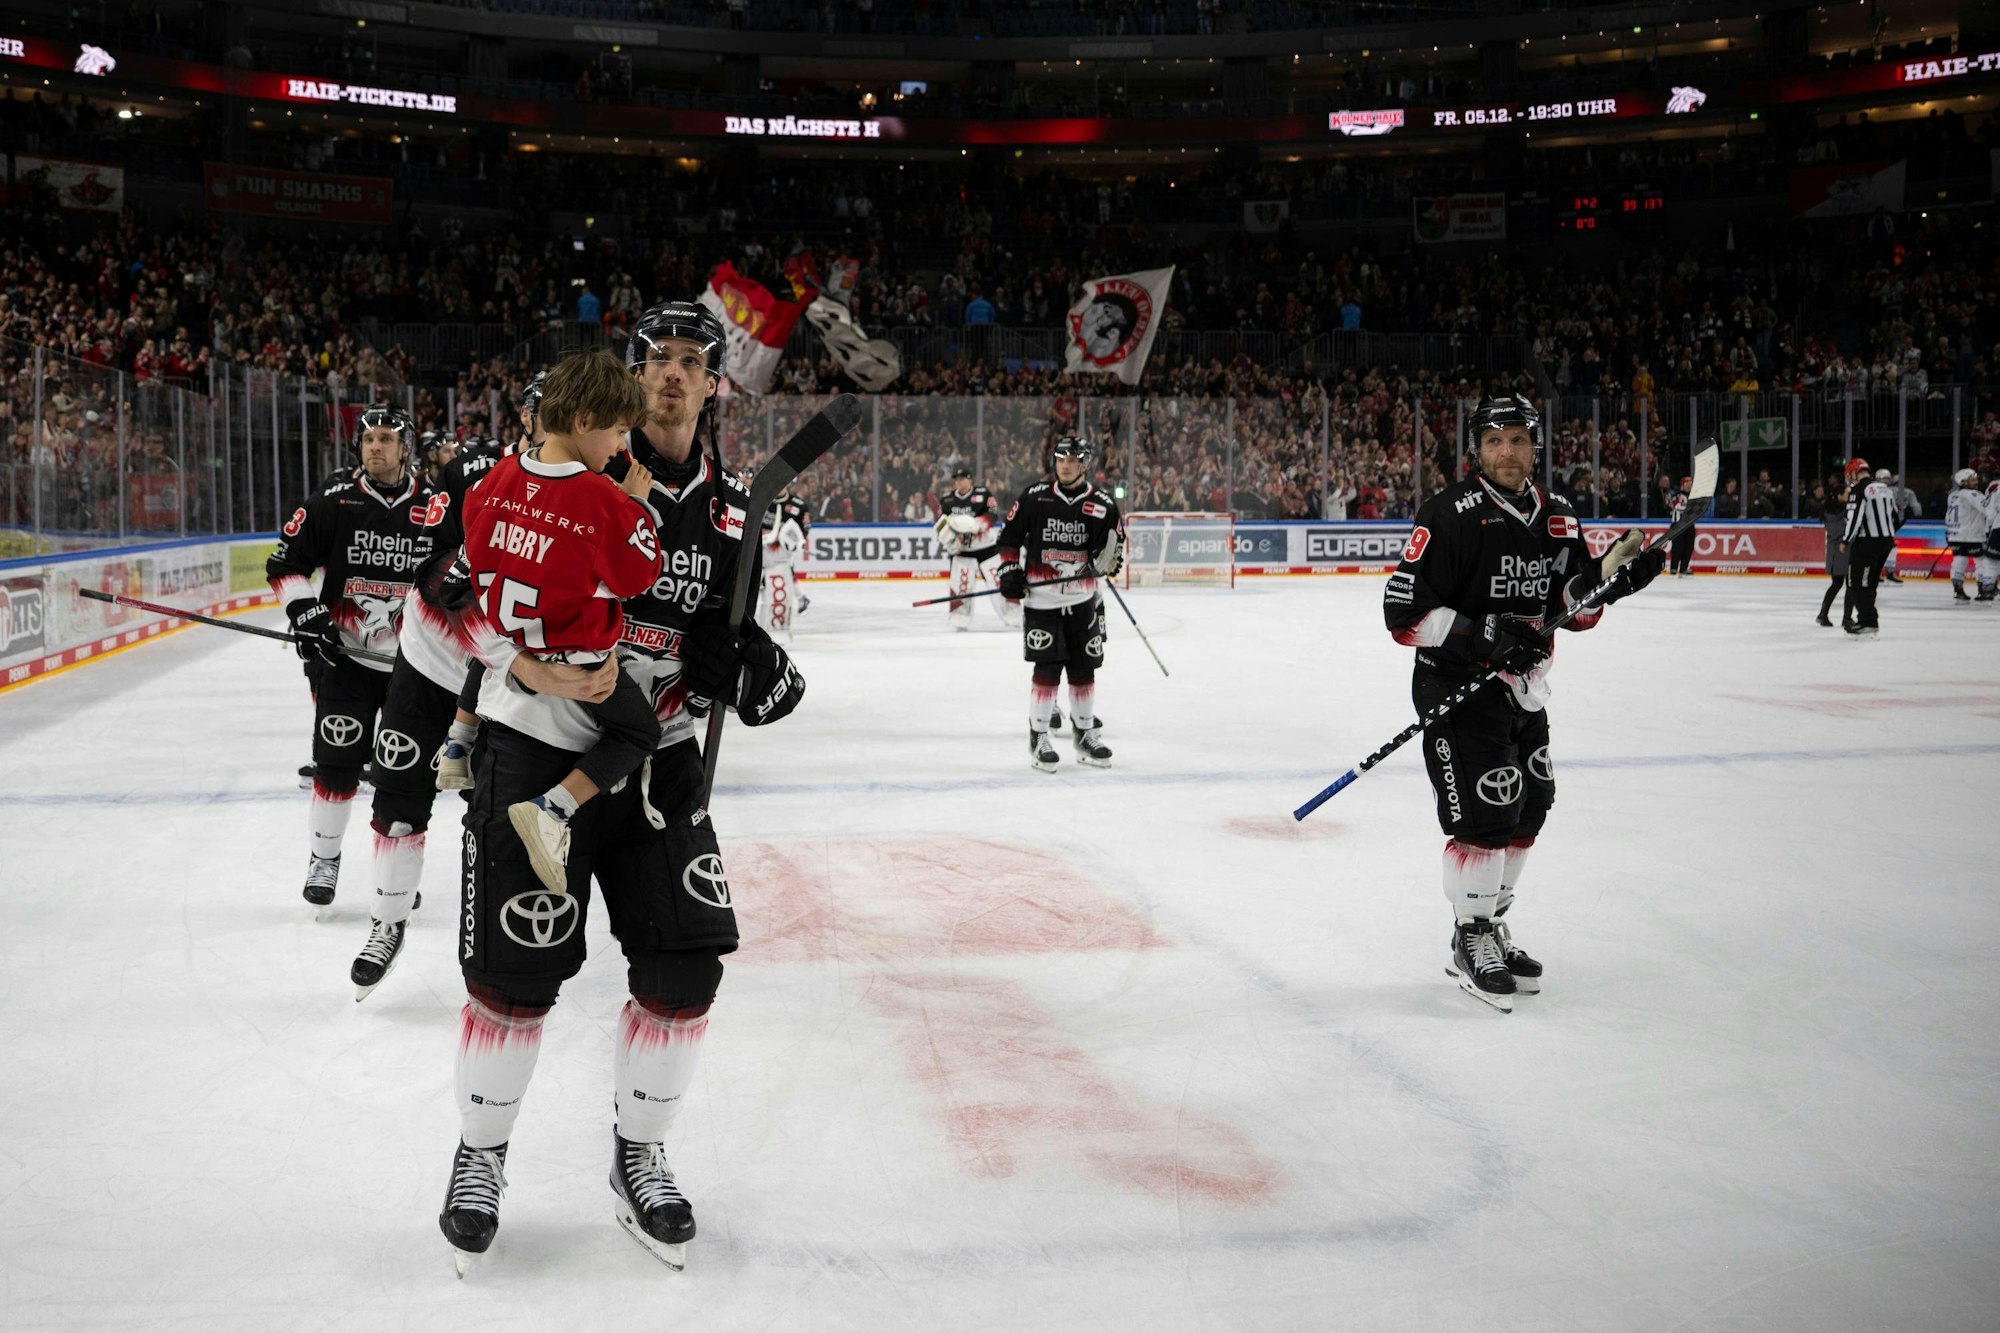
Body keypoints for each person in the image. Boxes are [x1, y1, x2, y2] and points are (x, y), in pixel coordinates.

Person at [439, 301, 805, 1275]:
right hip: (536, 747)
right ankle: (480, 1155)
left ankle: (638, 1152)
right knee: (512, 980)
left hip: (661, 761)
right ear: (632, 376)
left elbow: (755, 653)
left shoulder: (740, 512)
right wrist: (525, 666)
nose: (673, 374)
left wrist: (754, 668)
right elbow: (453, 597)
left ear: (715, 383)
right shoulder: (554, 472)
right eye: (657, 358)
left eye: (692, 360)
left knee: (687, 969)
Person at [1382, 394, 1664, 1012]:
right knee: (1486, 815)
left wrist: (1612, 583)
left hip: (1524, 689)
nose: (1506, 451)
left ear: (1535, 446)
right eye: (1494, 441)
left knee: (1531, 803)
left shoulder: (1558, 516)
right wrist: (1483, 636)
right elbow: (1402, 614)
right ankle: (1471, 934)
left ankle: (1489, 921)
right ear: (1477, 449)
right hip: (1458, 689)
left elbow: (1572, 609)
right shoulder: (1449, 514)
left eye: (1517, 439)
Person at [267, 406, 443, 913]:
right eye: (368, 439)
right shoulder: (334, 501)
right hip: (345, 660)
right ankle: (324, 860)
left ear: (406, 448)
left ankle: (395, 874)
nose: (375, 447)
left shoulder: (436, 506)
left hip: (414, 667)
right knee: (336, 767)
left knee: (402, 779)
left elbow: (460, 573)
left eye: (386, 438)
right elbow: (285, 563)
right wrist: (308, 614)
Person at [995, 435, 1124, 771]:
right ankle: (1038, 737)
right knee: (1047, 669)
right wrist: (1009, 571)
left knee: (1084, 669)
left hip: (1083, 600)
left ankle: (1085, 734)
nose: (1065, 465)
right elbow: (1008, 538)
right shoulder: (1035, 497)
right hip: (1042, 602)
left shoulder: (1103, 505)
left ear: (1085, 464)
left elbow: (1114, 549)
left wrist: (1111, 561)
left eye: (1073, 460)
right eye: (1060, 459)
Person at [934, 466, 1012, 631]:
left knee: (999, 581)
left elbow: (993, 514)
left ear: (970, 480)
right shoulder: (947, 500)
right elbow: (941, 523)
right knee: (961, 584)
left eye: (962, 479)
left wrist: (976, 524)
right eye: (956, 480)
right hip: (963, 551)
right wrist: (949, 539)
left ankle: (1013, 614)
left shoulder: (983, 494)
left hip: (987, 547)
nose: (959, 482)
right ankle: (959, 618)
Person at [1840, 457, 1898, 636]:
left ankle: (1868, 621)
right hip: (1886, 541)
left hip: (1867, 542)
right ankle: (1867, 619)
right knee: (1871, 582)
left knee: (1856, 582)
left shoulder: (1859, 490)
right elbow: (1895, 516)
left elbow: (1854, 518)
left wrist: (1846, 540)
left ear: (1854, 472)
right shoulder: (1885, 489)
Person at [755, 497, 806, 642]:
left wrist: (795, 544)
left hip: (778, 563)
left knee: (778, 598)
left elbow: (800, 536)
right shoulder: (758, 499)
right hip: (756, 560)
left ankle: (775, 633)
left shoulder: (797, 506)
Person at [1943, 468, 1988, 603]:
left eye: (1976, 479)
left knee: (1959, 561)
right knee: (1982, 562)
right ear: (1963, 482)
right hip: (1973, 536)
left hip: (1955, 535)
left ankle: (1958, 591)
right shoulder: (1973, 494)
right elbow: (1987, 509)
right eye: (1972, 480)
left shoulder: (1952, 495)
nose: (1976, 482)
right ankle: (1984, 591)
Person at [1816, 479, 1852, 628]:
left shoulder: (1839, 511)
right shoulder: (1833, 513)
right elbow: (1837, 532)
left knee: (1840, 584)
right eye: (1847, 494)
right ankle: (1844, 617)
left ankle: (1825, 614)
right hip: (1840, 552)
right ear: (1839, 495)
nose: (1850, 497)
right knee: (1844, 584)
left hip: (1839, 553)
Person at [1879, 469, 1920, 582]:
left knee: (1888, 548)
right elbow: (1917, 510)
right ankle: (1885, 572)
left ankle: (1885, 572)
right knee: (1886, 548)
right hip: (1890, 522)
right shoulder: (1908, 492)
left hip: (1886, 523)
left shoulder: (1885, 491)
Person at [1667, 474, 1696, 576]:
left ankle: (1684, 568)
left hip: (1689, 525)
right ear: (1682, 485)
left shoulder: (1693, 497)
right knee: (1677, 547)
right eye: (1687, 484)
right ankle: (1673, 568)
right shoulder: (1677, 496)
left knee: (1688, 547)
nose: (1689, 486)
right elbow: (1676, 506)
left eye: (1691, 484)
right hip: (1678, 525)